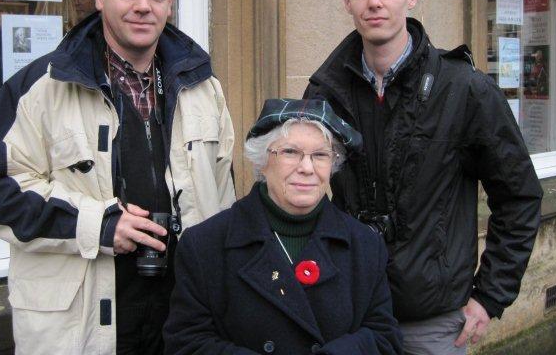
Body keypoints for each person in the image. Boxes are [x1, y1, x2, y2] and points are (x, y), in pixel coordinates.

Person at [0, 0, 236, 354]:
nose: (143, 6)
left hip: (181, 313)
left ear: (170, 3)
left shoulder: (204, 87)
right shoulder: (40, 87)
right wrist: (102, 225)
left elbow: (222, 195)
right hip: (81, 322)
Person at [304, 0, 543, 354]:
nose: (374, 1)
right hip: (347, 312)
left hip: (432, 324)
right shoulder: (325, 91)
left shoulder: (465, 90)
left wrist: (490, 296)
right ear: (347, 1)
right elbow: (300, 188)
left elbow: (519, 197)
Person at [163, 98, 403, 355]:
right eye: (290, 152)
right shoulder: (205, 245)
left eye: (320, 155)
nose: (307, 168)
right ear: (262, 161)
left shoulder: (365, 246)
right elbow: (185, 343)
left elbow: (384, 338)